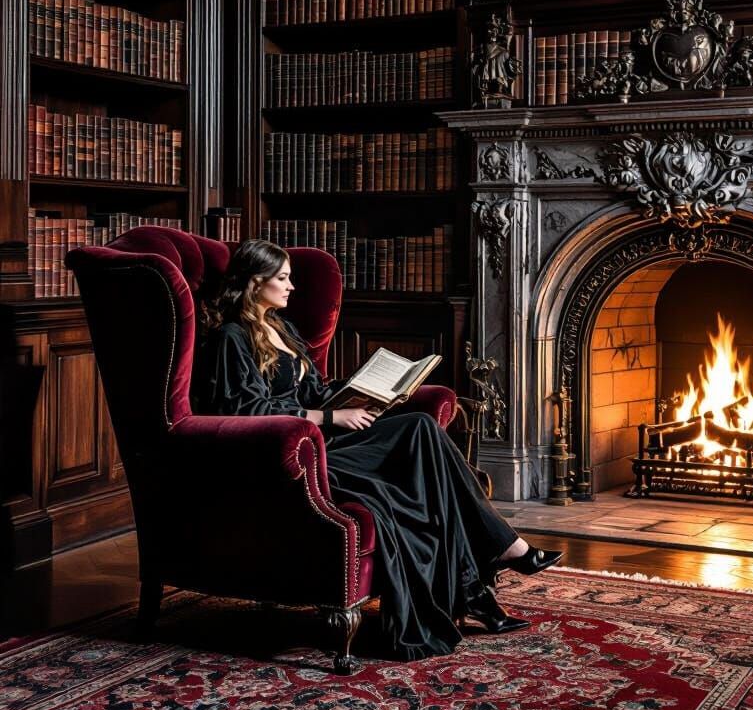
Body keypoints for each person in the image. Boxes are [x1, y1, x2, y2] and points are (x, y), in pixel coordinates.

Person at [197, 238, 562, 661]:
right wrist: (333, 419)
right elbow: (246, 410)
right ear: (255, 282)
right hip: (299, 457)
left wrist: (362, 394)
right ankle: (493, 563)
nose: (292, 286)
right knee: (421, 432)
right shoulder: (232, 338)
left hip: (326, 437)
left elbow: (315, 390)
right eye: (282, 278)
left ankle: (478, 587)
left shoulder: (283, 329)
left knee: (421, 432)